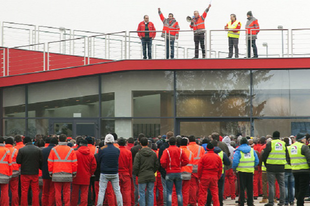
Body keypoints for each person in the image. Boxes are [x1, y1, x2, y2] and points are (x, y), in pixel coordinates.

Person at [48, 134, 78, 206]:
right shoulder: (71, 150)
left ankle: (58, 204)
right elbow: (74, 163)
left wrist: (50, 172)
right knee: (67, 192)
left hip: (56, 173)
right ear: (66, 140)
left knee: (57, 192)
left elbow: (50, 162)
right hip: (67, 173)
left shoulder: (54, 150)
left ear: (58, 140)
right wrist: (74, 173)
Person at [262, 131, 290, 206]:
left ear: (273, 136)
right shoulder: (283, 144)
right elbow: (287, 155)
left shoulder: (270, 143)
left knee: (271, 185)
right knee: (282, 185)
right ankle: (282, 202)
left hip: (271, 166)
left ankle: (271, 202)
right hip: (281, 167)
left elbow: (265, 155)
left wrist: (266, 164)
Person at [160, 136, 189, 206]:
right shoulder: (180, 150)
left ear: (169, 143)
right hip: (178, 172)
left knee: (169, 192)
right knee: (179, 192)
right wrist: (180, 165)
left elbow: (162, 162)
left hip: (169, 172)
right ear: (176, 143)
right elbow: (187, 160)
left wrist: (166, 167)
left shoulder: (166, 151)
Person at [97, 134, 123, 206]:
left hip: (104, 172)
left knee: (101, 191)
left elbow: (99, 160)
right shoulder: (117, 150)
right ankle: (120, 204)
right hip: (114, 172)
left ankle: (99, 204)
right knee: (117, 191)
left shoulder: (102, 149)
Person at [16, 136, 42, 206]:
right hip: (35, 172)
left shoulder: (22, 150)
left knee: (24, 190)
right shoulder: (38, 150)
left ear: (24, 141)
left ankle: (24, 204)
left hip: (25, 173)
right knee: (35, 190)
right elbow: (41, 161)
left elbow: (18, 161)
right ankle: (35, 204)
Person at [233, 137, 259, 206]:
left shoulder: (238, 151)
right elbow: (257, 161)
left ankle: (241, 202)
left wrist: (234, 168)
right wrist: (252, 166)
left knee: (241, 188)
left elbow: (235, 161)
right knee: (250, 188)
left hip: (241, 172)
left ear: (240, 143)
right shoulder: (252, 150)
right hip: (250, 171)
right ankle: (250, 203)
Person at [133, 137, 159, 206]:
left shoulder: (138, 154)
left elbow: (135, 166)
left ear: (140, 143)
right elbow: (156, 165)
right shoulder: (153, 153)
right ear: (148, 143)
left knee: (141, 193)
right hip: (151, 174)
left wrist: (138, 174)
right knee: (150, 192)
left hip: (142, 176)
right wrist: (152, 171)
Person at [71, 139, 97, 206]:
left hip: (76, 176)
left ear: (80, 145)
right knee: (84, 194)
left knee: (74, 194)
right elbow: (94, 165)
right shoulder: (91, 155)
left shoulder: (75, 153)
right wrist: (90, 173)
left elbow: (72, 164)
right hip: (86, 176)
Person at [206, 140, 231, 206]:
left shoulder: (207, 153)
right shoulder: (222, 153)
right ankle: (220, 202)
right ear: (217, 144)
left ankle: (208, 202)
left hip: (210, 173)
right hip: (221, 173)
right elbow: (228, 162)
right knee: (220, 189)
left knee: (210, 189)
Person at [288, 133, 310, 206]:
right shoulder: (304, 147)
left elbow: (287, 159)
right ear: (302, 139)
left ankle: (299, 200)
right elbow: (309, 158)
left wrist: (293, 165)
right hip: (304, 170)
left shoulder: (290, 147)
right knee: (303, 188)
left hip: (294, 170)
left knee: (297, 187)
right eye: (304, 138)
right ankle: (300, 203)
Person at [187, 135, 204, 206]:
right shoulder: (201, 148)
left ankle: (192, 201)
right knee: (199, 185)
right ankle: (198, 199)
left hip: (190, 168)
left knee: (192, 186)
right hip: (199, 168)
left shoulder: (187, 148)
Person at [41, 137, 58, 206]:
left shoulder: (43, 151)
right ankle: (51, 204)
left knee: (45, 191)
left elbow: (40, 162)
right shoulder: (56, 150)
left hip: (44, 172)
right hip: (54, 172)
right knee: (52, 191)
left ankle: (44, 204)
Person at [4, 137, 19, 206]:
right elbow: (19, 161)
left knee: (4, 190)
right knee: (14, 189)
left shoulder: (3, 150)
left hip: (5, 171)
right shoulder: (15, 150)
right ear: (13, 143)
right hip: (15, 171)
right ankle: (15, 204)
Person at [118, 137, 133, 206]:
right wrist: (130, 174)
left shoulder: (116, 151)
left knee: (118, 191)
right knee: (127, 191)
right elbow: (130, 165)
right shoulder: (128, 152)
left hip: (117, 173)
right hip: (126, 173)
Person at [180, 137, 194, 206]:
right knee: (186, 192)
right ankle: (185, 204)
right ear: (187, 143)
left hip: (179, 173)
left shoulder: (178, 151)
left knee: (178, 191)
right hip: (188, 173)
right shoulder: (190, 153)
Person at [0, 136, 12, 206]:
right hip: (5, 173)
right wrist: (10, 174)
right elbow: (10, 163)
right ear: (4, 142)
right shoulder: (7, 150)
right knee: (5, 192)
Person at [283, 137, 294, 206]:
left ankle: (286, 201)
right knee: (292, 186)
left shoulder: (282, 149)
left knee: (285, 186)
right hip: (292, 168)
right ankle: (292, 200)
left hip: (284, 168)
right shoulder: (292, 148)